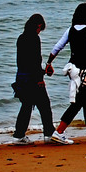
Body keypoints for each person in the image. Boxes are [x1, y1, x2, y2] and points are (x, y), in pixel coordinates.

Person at [46, 2, 86, 144]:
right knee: (79, 102)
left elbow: (58, 47)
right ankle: (59, 132)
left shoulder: (70, 30)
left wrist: (49, 63)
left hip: (73, 70)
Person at [10, 14, 55, 145]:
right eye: (40, 29)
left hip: (22, 78)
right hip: (33, 79)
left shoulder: (21, 38)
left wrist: (43, 72)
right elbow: (35, 61)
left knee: (26, 106)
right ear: (39, 26)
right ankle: (49, 134)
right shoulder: (35, 39)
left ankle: (19, 135)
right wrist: (40, 78)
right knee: (45, 106)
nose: (40, 32)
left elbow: (23, 62)